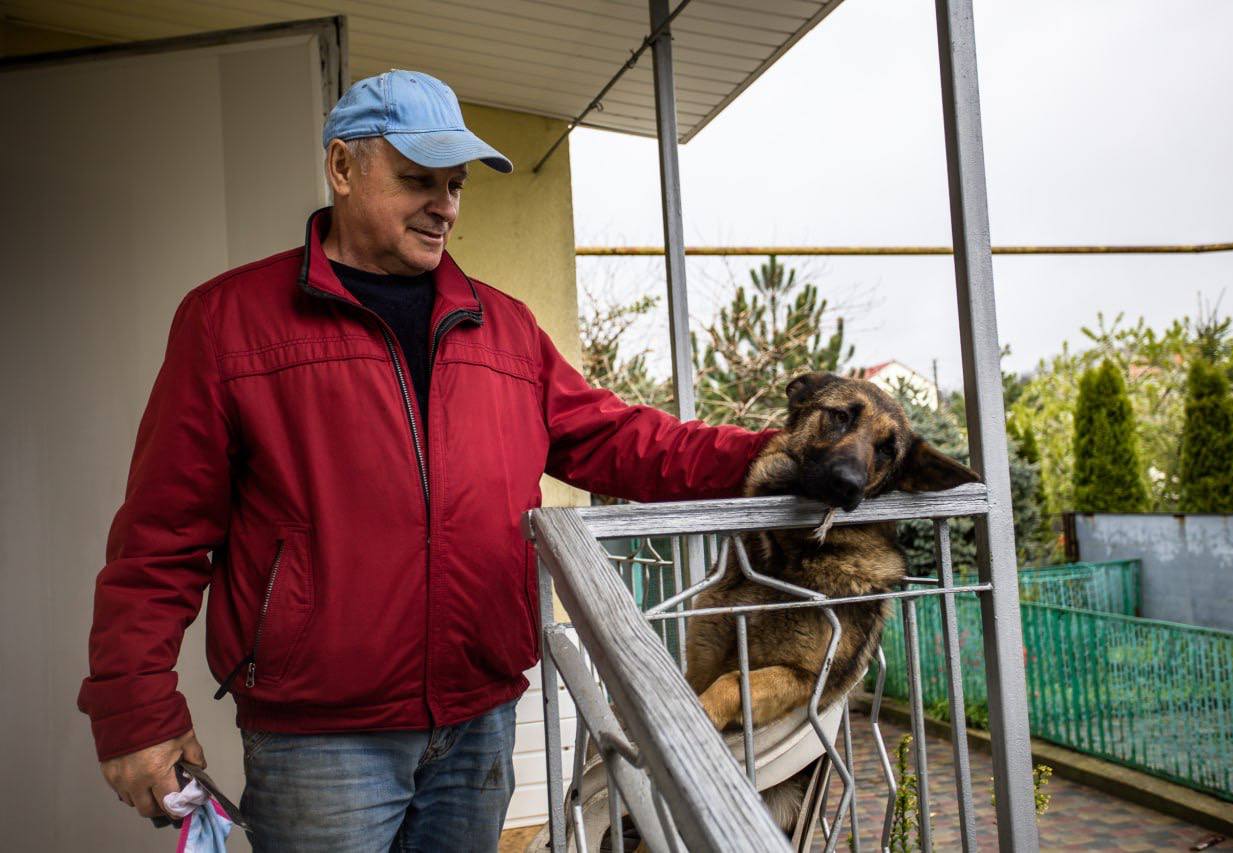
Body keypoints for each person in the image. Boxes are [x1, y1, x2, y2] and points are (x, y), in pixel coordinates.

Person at [78, 70, 774, 851]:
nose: (443, 204)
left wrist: (775, 458)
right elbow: (160, 538)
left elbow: (621, 441)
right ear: (343, 169)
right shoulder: (227, 322)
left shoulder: (505, 328)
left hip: (478, 726)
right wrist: (134, 711)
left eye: (455, 184)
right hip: (322, 742)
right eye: (417, 180)